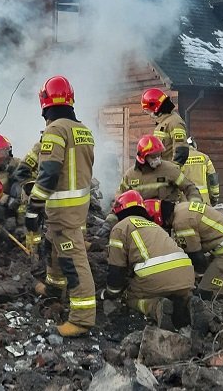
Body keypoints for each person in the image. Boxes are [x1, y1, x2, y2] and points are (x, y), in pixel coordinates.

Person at [27, 75, 96, 337]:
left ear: (45, 103)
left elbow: (49, 171)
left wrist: (34, 204)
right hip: (77, 206)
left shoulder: (56, 130)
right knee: (54, 246)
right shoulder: (83, 130)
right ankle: (54, 288)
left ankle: (82, 318)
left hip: (62, 208)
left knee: (73, 260)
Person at [98, 190, 194, 331]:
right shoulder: (155, 226)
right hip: (186, 276)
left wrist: (109, 293)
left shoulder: (120, 228)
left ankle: (156, 308)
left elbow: (117, 271)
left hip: (155, 277)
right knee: (175, 291)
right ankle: (189, 303)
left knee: (128, 297)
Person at [145, 199, 223, 302]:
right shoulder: (182, 208)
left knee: (206, 293)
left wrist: (190, 278)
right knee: (206, 279)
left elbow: (196, 258)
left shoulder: (181, 223)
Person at [118, 135, 201, 203]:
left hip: (168, 218)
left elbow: (189, 187)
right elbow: (120, 197)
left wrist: (195, 206)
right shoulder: (130, 175)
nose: (157, 159)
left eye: (159, 155)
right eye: (153, 156)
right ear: (143, 157)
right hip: (142, 219)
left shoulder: (170, 170)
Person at [141, 88, 189, 166]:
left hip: (169, 174)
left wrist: (172, 171)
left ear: (155, 108)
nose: (149, 114)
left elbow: (181, 151)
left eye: (148, 111)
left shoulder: (175, 122)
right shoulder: (162, 122)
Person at [182, 137, 221, 206]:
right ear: (194, 145)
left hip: (185, 201)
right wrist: (215, 197)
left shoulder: (177, 158)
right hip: (203, 200)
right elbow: (213, 179)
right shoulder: (204, 157)